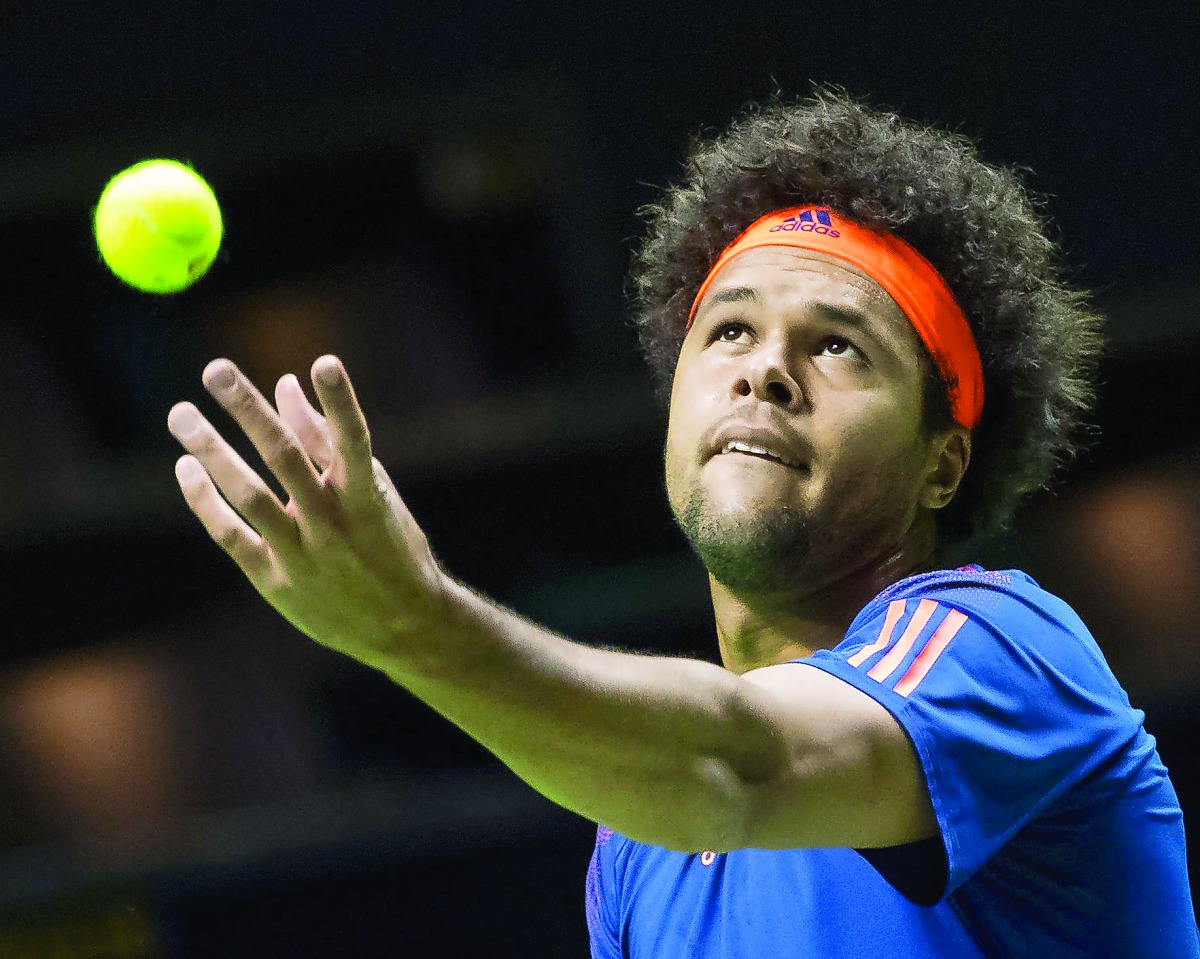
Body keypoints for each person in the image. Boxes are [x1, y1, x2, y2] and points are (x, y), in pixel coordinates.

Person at [166, 87, 1199, 957]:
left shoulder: (1004, 652)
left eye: (840, 345)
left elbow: (741, 766)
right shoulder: (638, 851)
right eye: (731, 328)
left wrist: (413, 624)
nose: (766, 369)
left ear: (943, 462)